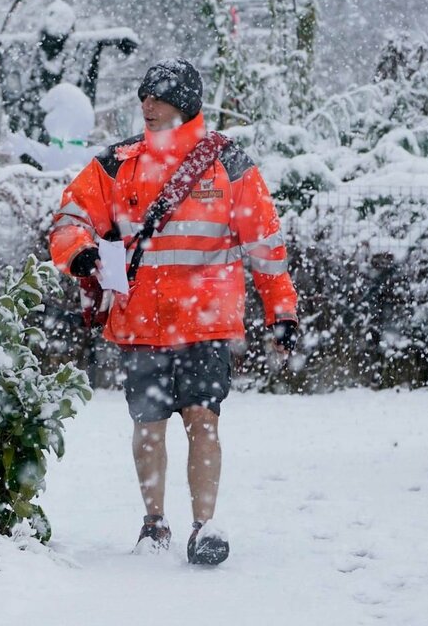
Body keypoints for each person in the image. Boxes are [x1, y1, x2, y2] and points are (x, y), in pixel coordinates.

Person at [48, 58, 299, 566]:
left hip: (205, 324)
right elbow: (70, 216)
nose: (147, 105)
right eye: (144, 96)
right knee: (149, 423)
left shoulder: (229, 165)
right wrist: (79, 250)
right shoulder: (118, 163)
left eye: (158, 97)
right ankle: (153, 524)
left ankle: (206, 527)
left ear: (184, 105)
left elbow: (265, 244)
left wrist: (283, 310)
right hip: (141, 321)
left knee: (203, 420)